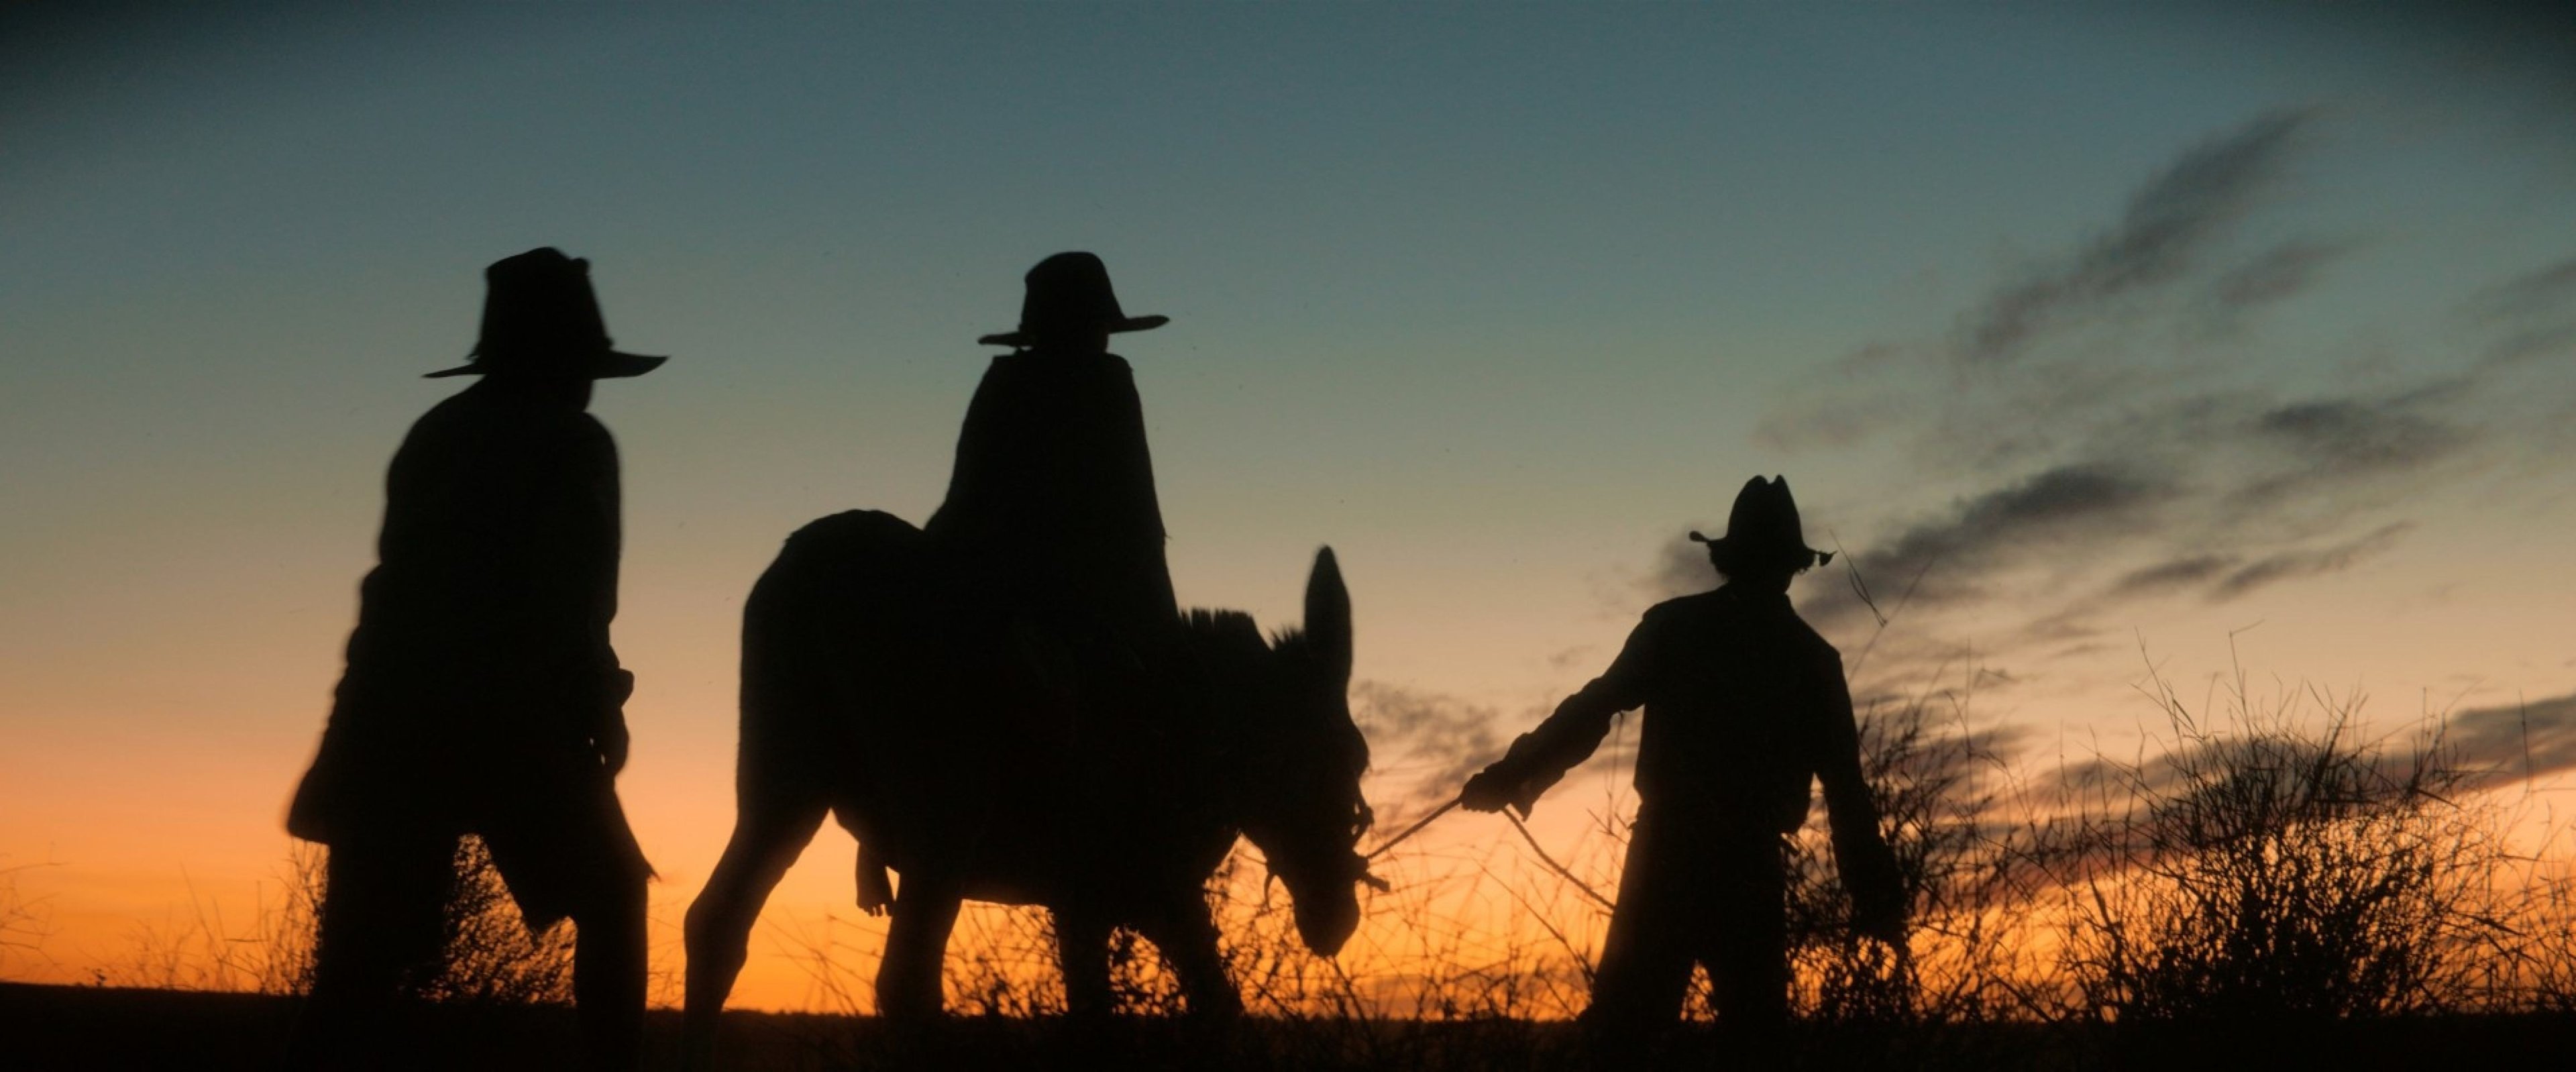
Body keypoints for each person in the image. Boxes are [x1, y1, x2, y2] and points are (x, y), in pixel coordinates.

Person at [283, 248, 659, 1071]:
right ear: (569, 364)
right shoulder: (573, 438)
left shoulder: (438, 430)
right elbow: (574, 589)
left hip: (389, 711)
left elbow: (400, 579)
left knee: (357, 965)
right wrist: (598, 705)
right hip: (509, 717)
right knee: (614, 895)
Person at [1459, 476, 1907, 1059]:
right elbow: (1847, 790)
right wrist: (1875, 897)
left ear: (1729, 558)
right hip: (1749, 869)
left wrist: (1512, 774)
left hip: (1667, 859)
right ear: (1792, 566)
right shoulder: (1811, 660)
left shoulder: (1676, 629)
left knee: (1622, 1037)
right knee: (1754, 1043)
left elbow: (1596, 706)